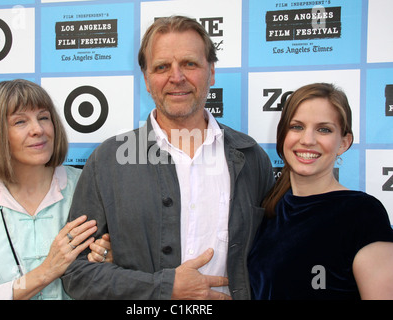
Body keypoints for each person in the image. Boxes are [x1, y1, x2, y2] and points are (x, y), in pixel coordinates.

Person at [62, 15, 274, 300]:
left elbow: (273, 259)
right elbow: (76, 273)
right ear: (147, 80)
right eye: (162, 67)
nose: (177, 77)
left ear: (211, 72)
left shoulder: (251, 159)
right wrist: (164, 288)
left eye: (189, 63)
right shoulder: (108, 162)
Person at [0, 79, 110, 300]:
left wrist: (110, 261)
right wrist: (46, 271)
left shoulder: (92, 186)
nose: (38, 129)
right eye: (20, 122)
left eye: (43, 117)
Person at [248, 82, 393, 299]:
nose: (307, 140)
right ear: (283, 135)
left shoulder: (363, 214)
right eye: (297, 126)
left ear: (344, 142)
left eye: (324, 129)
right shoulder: (270, 210)